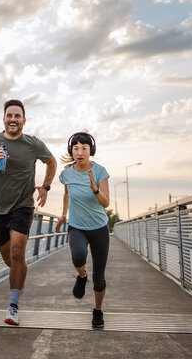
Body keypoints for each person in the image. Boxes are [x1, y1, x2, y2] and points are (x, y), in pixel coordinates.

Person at [0, 99, 57, 326]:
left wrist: (46, 186)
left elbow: (52, 162)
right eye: (9, 115)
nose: (13, 119)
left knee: (18, 253)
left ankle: (13, 306)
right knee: (11, 259)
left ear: (23, 120)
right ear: (4, 119)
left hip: (23, 206)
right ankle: (19, 278)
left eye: (17, 116)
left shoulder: (33, 144)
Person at [55, 132, 110, 328]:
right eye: (76, 148)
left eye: (84, 148)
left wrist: (95, 189)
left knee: (100, 277)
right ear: (71, 151)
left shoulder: (101, 171)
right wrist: (63, 214)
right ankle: (81, 275)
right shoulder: (67, 174)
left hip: (99, 228)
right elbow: (67, 194)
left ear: (91, 151)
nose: (80, 152)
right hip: (77, 226)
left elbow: (106, 202)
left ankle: (97, 311)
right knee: (78, 257)